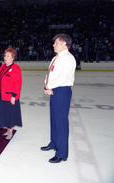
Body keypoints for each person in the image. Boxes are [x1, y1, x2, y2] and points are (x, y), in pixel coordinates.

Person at [41, 33, 76, 163]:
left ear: (63, 44)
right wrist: (46, 85)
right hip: (53, 90)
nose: (53, 45)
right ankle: (54, 143)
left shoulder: (68, 58)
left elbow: (62, 78)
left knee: (61, 122)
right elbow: (50, 74)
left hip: (61, 91)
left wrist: (49, 87)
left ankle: (62, 153)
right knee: (54, 119)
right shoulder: (57, 58)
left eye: (56, 42)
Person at [0, 48, 22, 140]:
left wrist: (14, 96)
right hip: (0, 95)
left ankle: (10, 132)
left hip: (9, 96)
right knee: (4, 114)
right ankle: (7, 129)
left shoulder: (16, 68)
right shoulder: (2, 67)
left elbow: (18, 84)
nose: (5, 57)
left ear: (13, 58)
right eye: (5, 55)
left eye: (8, 56)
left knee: (10, 115)